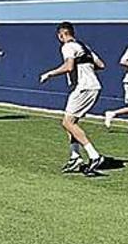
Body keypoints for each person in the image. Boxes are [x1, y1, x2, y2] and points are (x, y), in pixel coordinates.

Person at [40, 22, 106, 176]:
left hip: (84, 87)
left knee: (67, 123)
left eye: (59, 36)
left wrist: (49, 74)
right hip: (92, 86)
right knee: (71, 123)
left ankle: (94, 156)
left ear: (62, 34)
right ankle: (75, 157)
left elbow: (68, 67)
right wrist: (85, 68)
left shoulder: (67, 47)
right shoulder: (84, 47)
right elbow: (101, 65)